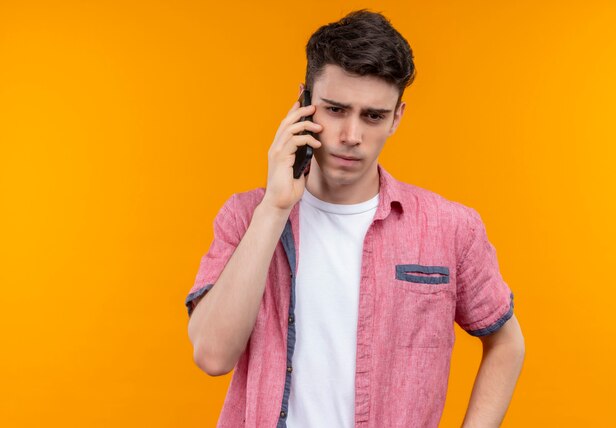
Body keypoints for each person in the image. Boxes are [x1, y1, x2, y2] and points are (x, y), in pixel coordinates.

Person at [186, 10, 525, 428]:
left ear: (397, 117)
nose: (351, 135)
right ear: (303, 104)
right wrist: (275, 208)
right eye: (335, 109)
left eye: (373, 116)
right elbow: (212, 355)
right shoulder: (245, 216)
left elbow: (507, 344)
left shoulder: (451, 228)